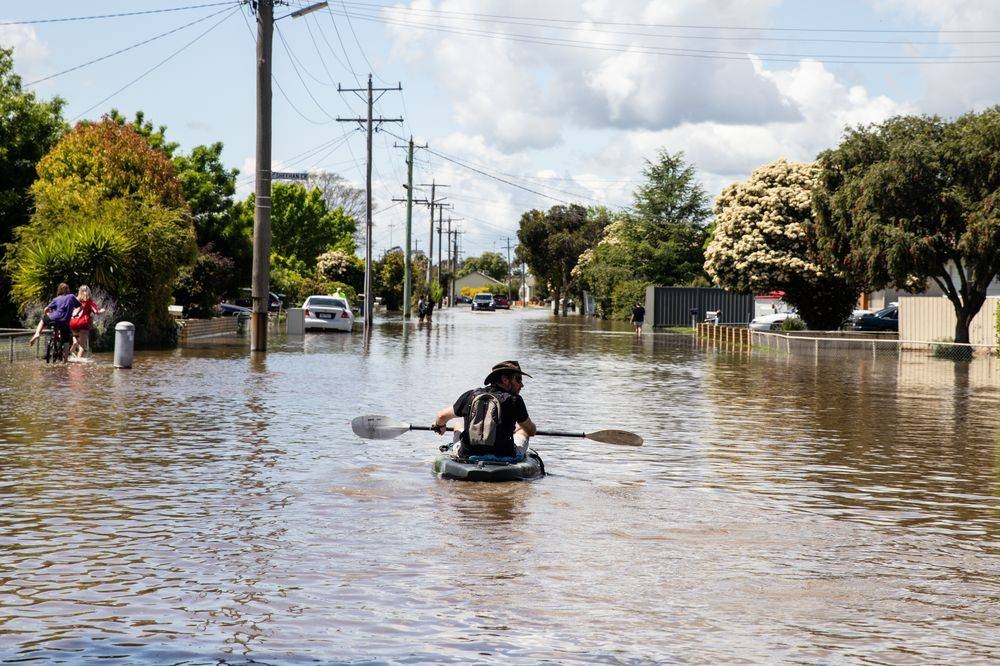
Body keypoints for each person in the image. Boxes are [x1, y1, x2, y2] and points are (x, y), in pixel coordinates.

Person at [431, 360, 537, 460]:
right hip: (503, 454)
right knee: (523, 430)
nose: (521, 385)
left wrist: (439, 426)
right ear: (505, 379)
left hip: (468, 454)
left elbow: (441, 416)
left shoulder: (471, 395)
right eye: (518, 379)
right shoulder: (514, 400)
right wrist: (520, 429)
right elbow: (531, 431)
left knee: (458, 425)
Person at [28, 283, 80, 359]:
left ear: (59, 290)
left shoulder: (56, 299)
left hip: (53, 318)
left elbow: (46, 309)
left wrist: (47, 314)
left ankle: (37, 333)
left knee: (43, 320)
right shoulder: (71, 297)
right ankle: (65, 361)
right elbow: (80, 306)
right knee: (66, 341)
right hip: (65, 321)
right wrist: (75, 314)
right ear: (68, 289)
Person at [69, 285, 106, 359]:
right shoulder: (89, 302)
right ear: (89, 292)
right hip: (83, 323)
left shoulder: (75, 301)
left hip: (72, 323)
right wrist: (102, 311)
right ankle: (78, 364)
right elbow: (96, 312)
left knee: (76, 339)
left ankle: (72, 349)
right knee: (82, 346)